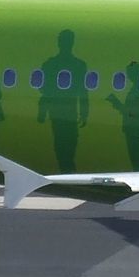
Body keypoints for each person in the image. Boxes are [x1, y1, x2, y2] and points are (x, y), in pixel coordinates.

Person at [36, 29, 90, 171]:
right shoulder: (79, 64)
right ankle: (68, 174)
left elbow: (44, 92)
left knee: (63, 150)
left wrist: (42, 114)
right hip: (65, 116)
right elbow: (83, 92)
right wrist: (84, 114)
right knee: (65, 150)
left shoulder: (51, 64)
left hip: (62, 116)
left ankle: (67, 172)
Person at [105, 61, 139, 170]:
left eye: (129, 73)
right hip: (134, 128)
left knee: (137, 161)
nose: (128, 76)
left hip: (135, 129)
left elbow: (133, 113)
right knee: (138, 161)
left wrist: (116, 103)